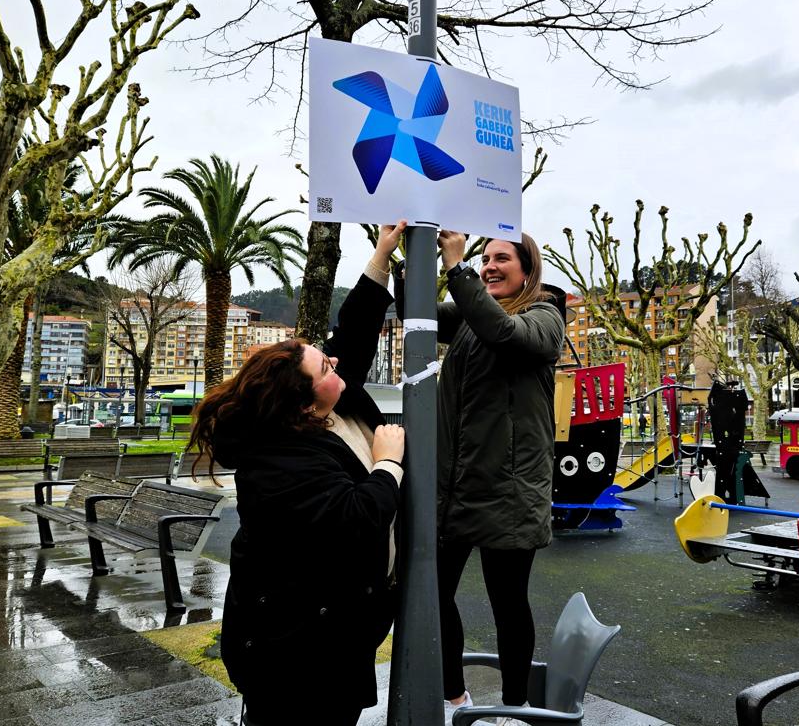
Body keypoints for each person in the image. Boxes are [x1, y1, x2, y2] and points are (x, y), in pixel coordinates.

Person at [190, 223, 407, 726]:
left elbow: (351, 334)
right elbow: (355, 517)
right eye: (325, 367)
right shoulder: (278, 458)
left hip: (335, 632)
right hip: (296, 648)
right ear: (303, 403)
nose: (335, 362)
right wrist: (388, 463)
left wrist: (382, 254)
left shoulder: (330, 400)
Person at [402, 230, 565, 722]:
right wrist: (403, 251)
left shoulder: (545, 316)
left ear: (527, 267)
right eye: (485, 258)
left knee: (508, 603)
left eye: (502, 259)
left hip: (510, 491)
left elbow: (504, 333)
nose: (490, 266)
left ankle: (517, 705)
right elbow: (411, 309)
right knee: (436, 593)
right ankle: (456, 696)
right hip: (457, 486)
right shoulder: (472, 318)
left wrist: (459, 269)